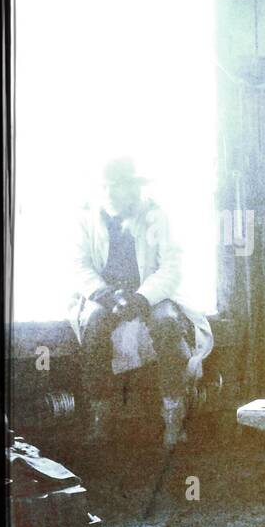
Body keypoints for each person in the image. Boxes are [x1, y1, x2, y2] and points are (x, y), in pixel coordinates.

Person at [67, 157, 213, 447]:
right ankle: (101, 415)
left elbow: (171, 266)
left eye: (117, 187)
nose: (110, 193)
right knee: (94, 325)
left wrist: (142, 298)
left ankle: (173, 413)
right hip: (105, 294)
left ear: (133, 188)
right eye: (105, 187)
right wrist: (104, 294)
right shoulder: (87, 217)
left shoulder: (156, 216)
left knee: (167, 325)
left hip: (150, 292)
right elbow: (78, 264)